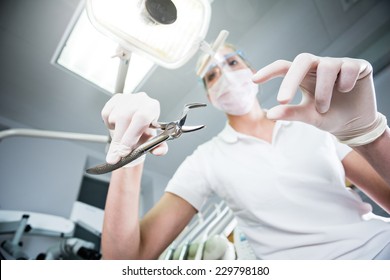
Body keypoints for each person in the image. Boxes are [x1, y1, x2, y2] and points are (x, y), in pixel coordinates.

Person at [100, 43, 390, 260]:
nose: (224, 74)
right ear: (209, 97)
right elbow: (124, 262)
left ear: (252, 72)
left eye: (232, 62)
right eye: (211, 75)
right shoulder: (206, 160)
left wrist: (370, 133)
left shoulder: (316, 124)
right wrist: (129, 158)